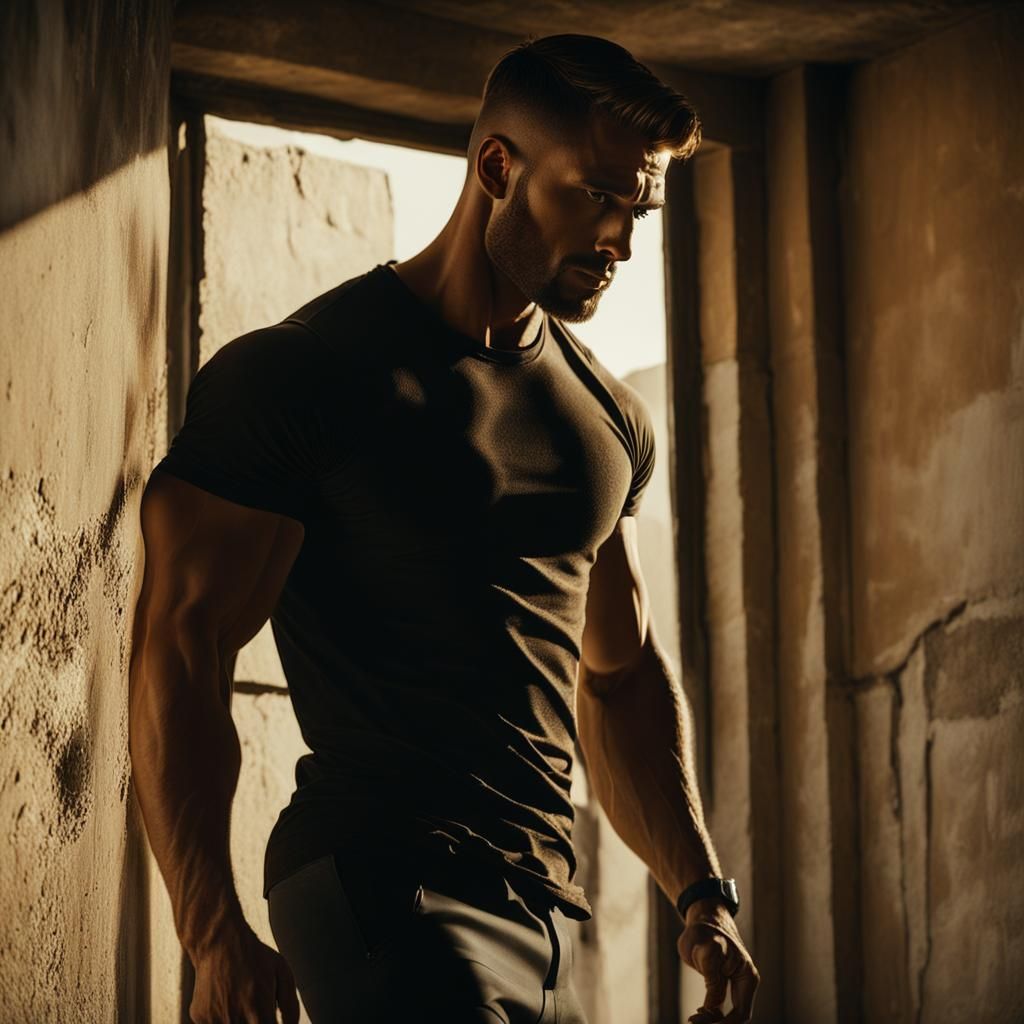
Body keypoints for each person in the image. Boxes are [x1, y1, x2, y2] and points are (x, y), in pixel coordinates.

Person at [128, 32, 759, 1024]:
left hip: (541, 905)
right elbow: (181, 643)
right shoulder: (308, 375)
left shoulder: (605, 424)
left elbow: (621, 674)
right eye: (594, 195)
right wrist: (210, 931)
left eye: (635, 208)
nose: (620, 242)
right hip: (378, 875)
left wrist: (699, 886)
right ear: (497, 168)